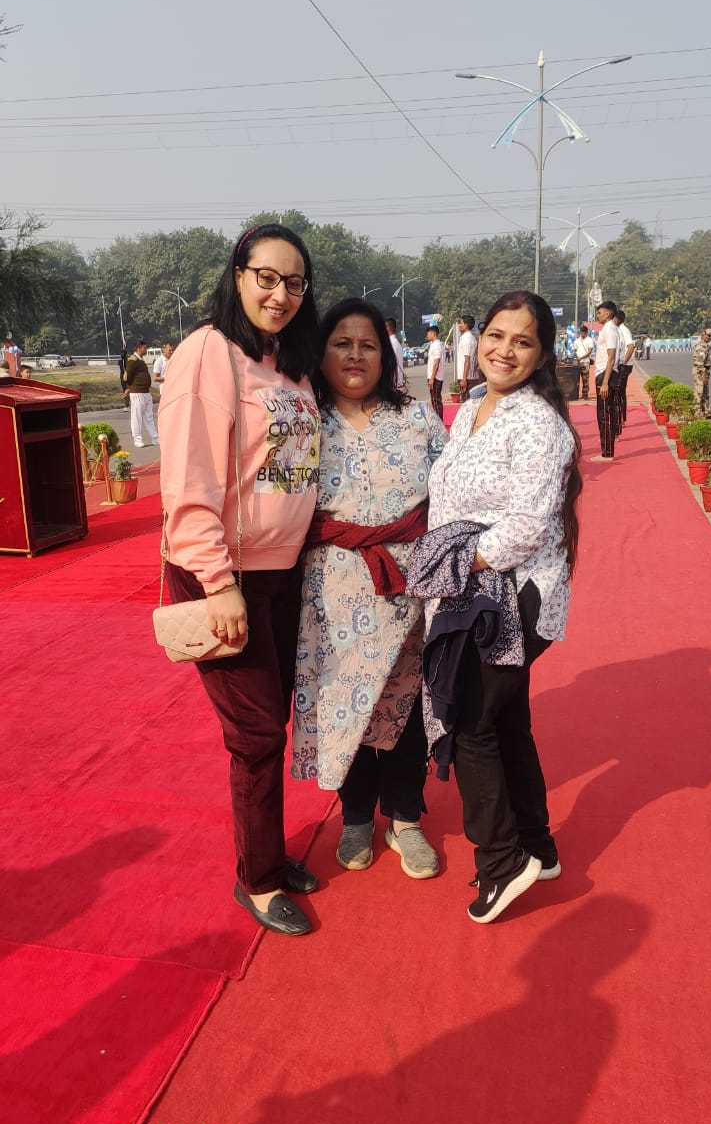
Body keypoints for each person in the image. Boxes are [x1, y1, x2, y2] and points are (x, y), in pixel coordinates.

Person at [158, 223, 321, 937]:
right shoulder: (209, 352)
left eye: (294, 283)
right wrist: (218, 582)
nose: (280, 294)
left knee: (272, 722)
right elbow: (189, 477)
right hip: (226, 574)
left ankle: (269, 854)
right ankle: (256, 880)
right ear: (238, 275)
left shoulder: (289, 365)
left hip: (283, 574)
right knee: (256, 733)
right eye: (266, 278)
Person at [422, 290, 582, 923]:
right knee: (508, 719)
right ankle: (537, 847)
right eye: (496, 335)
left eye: (523, 341)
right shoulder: (471, 407)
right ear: (479, 336)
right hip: (474, 590)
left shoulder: (538, 423)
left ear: (541, 354)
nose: (505, 350)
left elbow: (525, 527)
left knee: (471, 723)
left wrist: (449, 563)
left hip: (512, 595)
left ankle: (501, 861)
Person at [292, 298, 447, 878]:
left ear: (385, 356)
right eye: (342, 343)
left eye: (368, 345)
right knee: (344, 704)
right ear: (321, 353)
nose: (355, 355)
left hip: (409, 587)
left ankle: (405, 817)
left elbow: (453, 491)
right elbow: (275, 503)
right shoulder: (305, 421)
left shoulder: (417, 418)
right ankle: (356, 815)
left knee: (406, 704)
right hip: (331, 594)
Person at [591, 301, 621, 461]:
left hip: (606, 375)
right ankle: (607, 449)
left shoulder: (610, 330)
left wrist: (604, 383)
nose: (598, 316)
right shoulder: (609, 329)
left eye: (600, 313)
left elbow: (611, 357)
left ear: (608, 314)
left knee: (604, 415)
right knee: (606, 413)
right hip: (604, 373)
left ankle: (607, 452)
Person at [123, 340, 160, 448]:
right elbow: (128, 376)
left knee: (149, 417)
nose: (146, 350)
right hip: (137, 392)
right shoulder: (132, 360)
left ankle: (155, 438)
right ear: (138, 348)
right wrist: (129, 387)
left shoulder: (141, 360)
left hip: (145, 392)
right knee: (137, 417)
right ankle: (137, 439)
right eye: (145, 348)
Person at [614, 310, 635, 428]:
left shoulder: (624, 330)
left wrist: (623, 362)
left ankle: (621, 418)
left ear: (617, 319)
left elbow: (631, 347)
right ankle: (621, 417)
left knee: (619, 391)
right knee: (620, 392)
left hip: (624, 365)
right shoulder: (617, 330)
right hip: (621, 364)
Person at [692, 328, 711, 419]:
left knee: (705, 393)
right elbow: (699, 363)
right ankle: (697, 413)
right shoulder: (701, 347)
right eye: (708, 335)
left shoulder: (706, 346)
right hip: (700, 372)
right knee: (699, 393)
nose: (710, 337)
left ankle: (706, 412)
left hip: (705, 371)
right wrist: (704, 375)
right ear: (703, 335)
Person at [457, 315, 480, 401]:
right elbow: (477, 357)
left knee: (466, 403)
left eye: (461, 323)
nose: (459, 325)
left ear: (466, 325)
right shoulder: (472, 338)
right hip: (471, 376)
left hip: (467, 378)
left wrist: (464, 379)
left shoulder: (466, 339)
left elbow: (467, 360)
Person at [426, 324, 444, 420]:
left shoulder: (437, 345)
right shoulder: (434, 344)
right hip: (434, 376)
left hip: (436, 377)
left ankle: (439, 421)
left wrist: (432, 378)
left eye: (428, 333)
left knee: (436, 401)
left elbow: (436, 363)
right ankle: (439, 421)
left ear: (433, 333)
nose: (427, 335)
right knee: (435, 400)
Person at [384, 317, 405, 390]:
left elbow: (390, 364)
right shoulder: (394, 342)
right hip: (395, 382)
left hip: (393, 383)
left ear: (387, 328)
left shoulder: (391, 343)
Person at [574, 324, 593, 400]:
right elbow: (575, 350)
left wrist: (581, 358)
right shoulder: (577, 341)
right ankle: (575, 394)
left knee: (585, 379)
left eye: (584, 333)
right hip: (577, 362)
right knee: (575, 379)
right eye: (581, 333)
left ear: (587, 332)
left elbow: (589, 352)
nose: (582, 334)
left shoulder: (589, 340)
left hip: (585, 362)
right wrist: (576, 357)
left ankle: (585, 394)